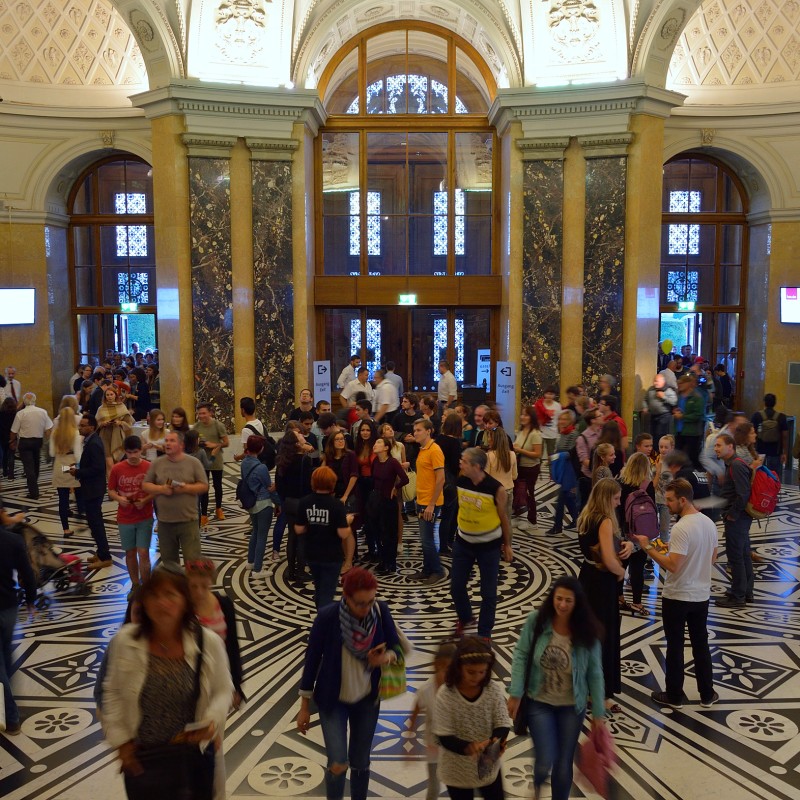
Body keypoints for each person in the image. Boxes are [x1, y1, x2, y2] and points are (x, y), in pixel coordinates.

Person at [100, 568, 233, 800]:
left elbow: (223, 689)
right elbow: (111, 691)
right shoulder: (125, 641)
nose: (162, 603)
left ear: (184, 601)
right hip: (144, 759)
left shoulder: (207, 642)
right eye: (153, 595)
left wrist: (212, 720)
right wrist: (121, 742)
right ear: (144, 602)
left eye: (170, 594)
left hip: (191, 756)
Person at [296, 568, 401, 800]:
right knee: (337, 762)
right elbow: (311, 660)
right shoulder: (327, 617)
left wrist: (385, 658)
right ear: (346, 597)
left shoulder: (380, 611)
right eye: (360, 604)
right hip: (333, 700)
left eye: (371, 601)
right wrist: (304, 707)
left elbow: (396, 647)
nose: (366, 609)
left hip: (366, 700)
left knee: (361, 762)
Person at [508, 576, 607, 800]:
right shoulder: (537, 621)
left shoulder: (587, 633)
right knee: (545, 757)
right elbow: (521, 654)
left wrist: (599, 713)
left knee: (564, 762)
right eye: (558, 598)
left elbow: (595, 673)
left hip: (572, 706)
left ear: (577, 603)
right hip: (538, 700)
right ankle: (538, 781)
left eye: (568, 600)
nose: (562, 604)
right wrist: (515, 692)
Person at [634, 479, 719, 709]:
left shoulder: (682, 527)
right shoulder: (709, 523)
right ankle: (707, 694)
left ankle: (674, 695)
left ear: (683, 500)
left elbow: (673, 566)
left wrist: (648, 547)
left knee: (675, 645)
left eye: (670, 500)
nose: (667, 504)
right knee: (700, 644)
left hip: (678, 595)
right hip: (701, 595)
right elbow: (713, 558)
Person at [577, 478, 633, 711]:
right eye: (616, 498)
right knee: (605, 636)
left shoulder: (585, 516)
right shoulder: (605, 520)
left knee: (587, 635)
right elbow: (609, 560)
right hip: (603, 583)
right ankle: (601, 693)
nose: (619, 502)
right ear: (606, 498)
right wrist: (621, 573)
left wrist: (628, 545)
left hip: (586, 578)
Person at [433, 636, 512, 800]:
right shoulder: (446, 695)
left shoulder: (493, 690)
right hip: (456, 771)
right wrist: (470, 747)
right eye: (471, 672)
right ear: (458, 668)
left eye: (482, 672)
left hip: (488, 766)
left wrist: (494, 742)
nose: (476, 677)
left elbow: (502, 723)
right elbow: (444, 736)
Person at [452, 447, 514, 640]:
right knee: (456, 587)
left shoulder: (496, 488)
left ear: (476, 466)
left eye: (464, 461)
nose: (460, 463)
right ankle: (466, 617)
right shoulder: (461, 480)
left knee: (488, 593)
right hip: (463, 542)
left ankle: (484, 633)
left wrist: (507, 544)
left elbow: (503, 517)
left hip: (489, 546)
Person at [142, 431, 209, 567]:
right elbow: (145, 485)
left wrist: (185, 488)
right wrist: (161, 489)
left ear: (181, 445)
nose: (167, 444)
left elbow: (204, 486)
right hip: (165, 523)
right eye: (166, 441)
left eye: (172, 441)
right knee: (169, 563)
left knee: (193, 562)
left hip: (188, 521)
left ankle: (191, 588)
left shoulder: (193, 463)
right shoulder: (157, 463)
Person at [186, 559, 245, 709]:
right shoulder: (184, 610)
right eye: (193, 587)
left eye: (204, 586)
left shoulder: (224, 604)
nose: (199, 592)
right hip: (190, 683)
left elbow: (232, 645)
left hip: (219, 678)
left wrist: (236, 684)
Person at [296, 466, 355, 607]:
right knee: (327, 592)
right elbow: (343, 533)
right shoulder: (336, 505)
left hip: (312, 553)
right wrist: (348, 522)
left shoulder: (305, 502)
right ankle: (323, 621)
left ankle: (321, 613)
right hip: (331, 555)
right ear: (332, 483)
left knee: (319, 586)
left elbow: (299, 529)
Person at [1, 518, 37, 736]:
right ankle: (9, 699)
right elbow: (27, 572)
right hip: (8, 608)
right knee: (5, 655)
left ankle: (11, 717)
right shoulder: (13, 540)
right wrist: (31, 599)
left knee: (0, 663)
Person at [408, 642, 457, 800]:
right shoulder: (426, 690)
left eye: (451, 668)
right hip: (434, 746)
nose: (446, 672)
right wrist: (411, 730)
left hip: (455, 747)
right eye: (443, 667)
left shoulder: (458, 689)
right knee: (434, 786)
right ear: (435, 666)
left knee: (456, 784)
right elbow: (417, 707)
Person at [108, 435, 154, 590]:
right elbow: (111, 490)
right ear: (125, 452)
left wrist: (146, 500)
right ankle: (135, 584)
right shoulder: (117, 468)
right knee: (130, 552)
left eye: (136, 452)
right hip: (125, 518)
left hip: (145, 516)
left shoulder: (149, 467)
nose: (133, 456)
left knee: (143, 552)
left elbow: (157, 489)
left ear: (141, 450)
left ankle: (146, 586)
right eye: (129, 452)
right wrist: (119, 498)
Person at [714, 433, 755, 608]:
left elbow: (743, 493)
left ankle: (738, 596)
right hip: (740, 517)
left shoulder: (736, 465)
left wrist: (732, 514)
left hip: (737, 518)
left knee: (736, 556)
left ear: (730, 447)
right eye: (715, 445)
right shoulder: (732, 464)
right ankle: (746, 591)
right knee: (744, 554)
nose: (716, 448)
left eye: (719, 445)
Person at [69, 414, 114, 569]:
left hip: (94, 489)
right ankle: (101, 553)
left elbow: (98, 468)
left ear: (91, 427)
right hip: (92, 488)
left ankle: (105, 557)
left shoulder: (94, 443)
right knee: (94, 522)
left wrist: (78, 472)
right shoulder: (90, 441)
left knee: (96, 523)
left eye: (83, 425)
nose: (80, 428)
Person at [616, 452, 656, 616]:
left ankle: (619, 598)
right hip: (640, 534)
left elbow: (617, 507)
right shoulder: (648, 485)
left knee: (620, 566)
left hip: (623, 532)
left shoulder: (620, 483)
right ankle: (638, 603)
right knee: (637, 569)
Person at [275, 424, 314, 583]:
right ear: (297, 444)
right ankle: (300, 571)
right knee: (302, 538)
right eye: (300, 437)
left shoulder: (282, 460)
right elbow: (308, 485)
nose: (304, 437)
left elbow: (279, 485)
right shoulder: (305, 460)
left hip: (288, 502)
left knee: (291, 536)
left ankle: (291, 571)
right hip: (302, 502)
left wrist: (284, 500)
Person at [366, 438, 408, 574]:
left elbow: (405, 479)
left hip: (388, 502)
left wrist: (395, 487)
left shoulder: (393, 462)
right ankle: (383, 560)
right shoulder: (376, 461)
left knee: (389, 533)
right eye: (375, 442)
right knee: (377, 531)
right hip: (376, 500)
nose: (375, 444)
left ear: (386, 448)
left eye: (378, 442)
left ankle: (391, 562)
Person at [413, 418, 446, 583]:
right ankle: (426, 569)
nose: (415, 433)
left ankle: (437, 570)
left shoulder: (435, 450)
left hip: (430, 502)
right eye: (414, 430)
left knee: (427, 540)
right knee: (424, 539)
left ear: (428, 431)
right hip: (422, 499)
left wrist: (431, 504)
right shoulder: (423, 449)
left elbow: (441, 479)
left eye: (419, 430)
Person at [240, 435, 275, 577]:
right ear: (261, 448)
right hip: (263, 503)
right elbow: (268, 487)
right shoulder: (261, 467)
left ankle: (251, 561)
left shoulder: (244, 463)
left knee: (255, 531)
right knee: (262, 536)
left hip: (251, 502)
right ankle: (258, 569)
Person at [9, 392, 53, 499]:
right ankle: (34, 486)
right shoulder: (43, 412)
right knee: (36, 465)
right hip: (38, 442)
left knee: (29, 467)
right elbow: (49, 429)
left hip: (25, 443)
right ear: (35, 400)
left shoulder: (20, 413)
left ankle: (33, 492)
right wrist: (49, 442)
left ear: (24, 402)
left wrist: (12, 441)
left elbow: (14, 430)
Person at [50, 406, 83, 537]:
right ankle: (81, 520)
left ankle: (65, 529)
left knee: (62, 500)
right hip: (71, 466)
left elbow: (52, 453)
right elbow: (78, 455)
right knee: (80, 495)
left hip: (60, 465)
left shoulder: (54, 433)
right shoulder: (75, 433)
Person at [194, 403, 229, 526]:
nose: (201, 416)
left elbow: (226, 442)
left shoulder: (218, 425)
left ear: (210, 413)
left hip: (216, 460)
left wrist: (214, 445)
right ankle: (204, 514)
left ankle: (219, 508)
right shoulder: (196, 427)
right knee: (204, 488)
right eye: (199, 413)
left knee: (217, 485)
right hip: (202, 461)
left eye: (204, 413)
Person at [547, 410, 580, 535]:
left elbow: (569, 453)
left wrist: (554, 457)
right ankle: (577, 519)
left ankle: (557, 526)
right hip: (563, 469)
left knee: (561, 499)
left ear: (570, 421)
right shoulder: (562, 433)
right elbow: (558, 450)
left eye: (565, 419)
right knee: (568, 498)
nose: (561, 421)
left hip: (570, 471)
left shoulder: (573, 434)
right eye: (560, 419)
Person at [436, 414, 463, 555]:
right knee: (449, 515)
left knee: (444, 515)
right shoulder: (454, 443)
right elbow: (455, 466)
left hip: (439, 481)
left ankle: (444, 544)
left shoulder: (439, 439)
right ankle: (445, 545)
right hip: (450, 483)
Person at [512, 406, 543, 527]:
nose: (522, 417)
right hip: (520, 466)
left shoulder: (535, 434)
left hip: (531, 468)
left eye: (526, 415)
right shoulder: (521, 431)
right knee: (518, 492)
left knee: (530, 493)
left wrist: (520, 450)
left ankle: (532, 520)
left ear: (532, 417)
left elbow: (537, 454)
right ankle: (518, 516)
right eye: (522, 414)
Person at [95, 384, 134, 472]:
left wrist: (120, 422)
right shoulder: (101, 409)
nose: (109, 397)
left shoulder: (122, 407)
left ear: (115, 395)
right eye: (107, 395)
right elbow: (96, 424)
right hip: (105, 435)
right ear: (105, 396)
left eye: (111, 394)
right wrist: (103, 423)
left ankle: (116, 483)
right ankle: (110, 484)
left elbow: (129, 423)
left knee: (117, 463)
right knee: (109, 463)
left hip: (117, 434)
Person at [751, 393, 789, 475]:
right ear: (775, 403)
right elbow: (785, 436)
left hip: (759, 450)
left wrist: (752, 450)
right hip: (776, 451)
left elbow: (751, 432)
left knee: (760, 475)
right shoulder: (781, 417)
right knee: (774, 476)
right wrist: (784, 452)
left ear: (764, 403)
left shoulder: (757, 416)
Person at [673, 375, 705, 469]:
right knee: (678, 456)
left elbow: (698, 415)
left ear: (688, 384)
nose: (680, 385)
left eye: (682, 383)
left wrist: (683, 417)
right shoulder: (679, 396)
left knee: (692, 456)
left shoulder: (697, 397)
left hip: (692, 432)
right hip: (679, 431)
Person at [534, 386, 561, 459]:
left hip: (552, 434)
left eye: (551, 394)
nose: (549, 396)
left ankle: (552, 470)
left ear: (555, 395)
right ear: (544, 394)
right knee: (538, 455)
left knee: (551, 456)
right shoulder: (539, 404)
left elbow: (559, 420)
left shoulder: (557, 406)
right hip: (540, 433)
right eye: (547, 393)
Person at [0, 397, 17, 480]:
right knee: (11, 455)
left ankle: (5, 472)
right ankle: (11, 474)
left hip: (3, 436)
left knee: (4, 455)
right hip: (12, 436)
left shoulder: (1, 413)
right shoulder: (15, 414)